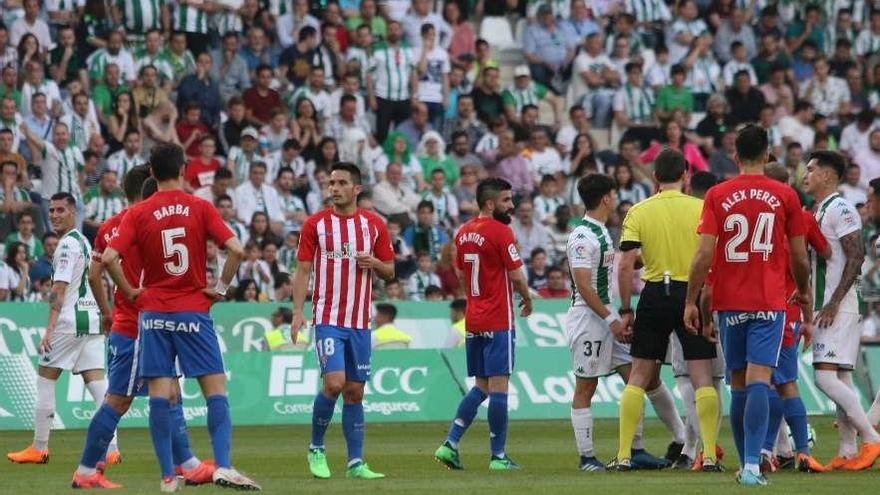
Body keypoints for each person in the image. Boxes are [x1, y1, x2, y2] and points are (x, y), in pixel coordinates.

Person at [101, 144, 257, 490]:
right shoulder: (200, 207)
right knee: (215, 390)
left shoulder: (139, 212)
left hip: (153, 312)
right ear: (184, 170)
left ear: (152, 174)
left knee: (160, 393)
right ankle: (224, 466)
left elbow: (109, 258)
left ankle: (168, 475)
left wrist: (128, 291)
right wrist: (220, 287)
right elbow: (236, 249)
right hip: (193, 309)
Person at [683, 125, 811, 486]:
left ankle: (746, 464)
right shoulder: (786, 195)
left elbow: (703, 254)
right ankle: (753, 465)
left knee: (737, 381)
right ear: (768, 153)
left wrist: (691, 301)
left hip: (729, 300)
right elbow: (800, 257)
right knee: (761, 378)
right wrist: (802, 290)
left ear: (735, 155)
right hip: (770, 300)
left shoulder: (717, 195)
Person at [71, 165, 213, 487]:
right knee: (118, 400)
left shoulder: (109, 226)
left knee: (171, 393)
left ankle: (185, 464)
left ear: (125, 191)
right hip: (139, 326)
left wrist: (107, 312)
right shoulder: (152, 221)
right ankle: (87, 469)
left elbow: (94, 274)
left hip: (134, 322)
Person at [613, 149, 721, 472]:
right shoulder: (702, 208)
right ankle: (711, 458)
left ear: (655, 177)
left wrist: (625, 309)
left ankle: (622, 455)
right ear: (686, 175)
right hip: (693, 292)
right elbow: (711, 256)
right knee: (702, 377)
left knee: (639, 376)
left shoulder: (638, 211)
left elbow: (626, 265)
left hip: (656, 291)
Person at [291, 162, 394, 480]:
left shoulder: (374, 225)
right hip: (328, 318)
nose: (333, 188)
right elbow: (303, 270)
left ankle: (355, 463)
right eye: (331, 182)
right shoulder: (316, 224)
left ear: (356, 189)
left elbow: (390, 271)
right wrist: (297, 312)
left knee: (355, 392)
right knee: (334, 384)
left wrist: (375, 262)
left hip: (361, 321)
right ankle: (316, 448)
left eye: (340, 183)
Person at [434, 177, 532, 471]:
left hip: (473, 318)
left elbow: (462, 275)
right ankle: (498, 456)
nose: (511, 205)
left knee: (481, 387)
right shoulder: (502, 232)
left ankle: (450, 443)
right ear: (490, 203)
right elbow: (516, 275)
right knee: (499, 387)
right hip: (499, 318)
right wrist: (527, 299)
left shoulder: (462, 233)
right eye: (506, 200)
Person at [7, 193, 105, 465]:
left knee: (45, 379)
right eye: (51, 210)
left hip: (69, 321)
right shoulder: (84, 241)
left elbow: (58, 290)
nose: (54, 214)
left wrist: (49, 330)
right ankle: (111, 447)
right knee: (98, 384)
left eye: (61, 209)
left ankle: (39, 447)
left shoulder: (65, 245)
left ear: (73, 211)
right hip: (91, 318)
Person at [802, 150, 880, 470]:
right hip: (828, 304)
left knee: (823, 377)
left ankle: (871, 438)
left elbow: (856, 255)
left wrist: (833, 302)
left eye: (811, 169)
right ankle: (848, 450)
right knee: (842, 379)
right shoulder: (820, 210)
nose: (805, 174)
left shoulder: (841, 207)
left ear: (828, 175)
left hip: (838, 305)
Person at [759, 162, 829, 473]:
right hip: (788, 309)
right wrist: (809, 316)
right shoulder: (802, 218)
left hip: (756, 308)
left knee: (769, 383)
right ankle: (799, 452)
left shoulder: (756, 217)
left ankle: (767, 450)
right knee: (785, 383)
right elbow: (826, 252)